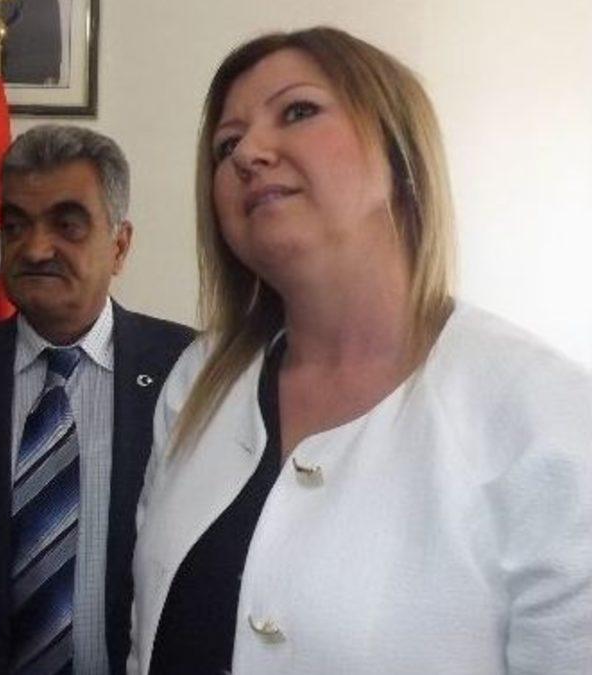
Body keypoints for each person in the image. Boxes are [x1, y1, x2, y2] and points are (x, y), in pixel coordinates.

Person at [129, 27, 592, 675]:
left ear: (398, 151)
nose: (248, 154)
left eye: (298, 111)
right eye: (226, 145)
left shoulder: (550, 415)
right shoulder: (196, 381)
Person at [0, 124, 196, 675]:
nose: (36, 248)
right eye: (15, 225)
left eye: (67, 225)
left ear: (119, 245)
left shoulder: (190, 372)